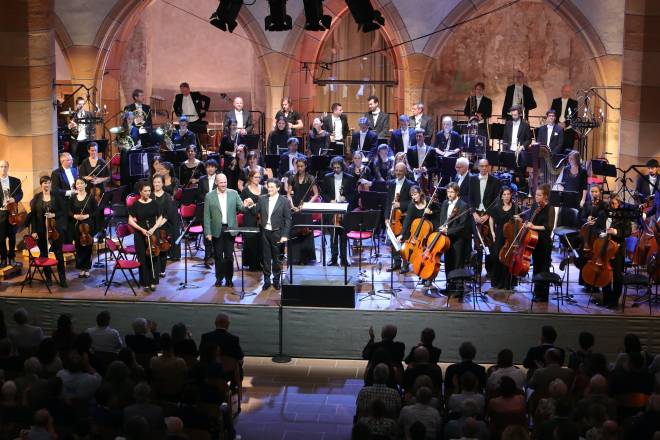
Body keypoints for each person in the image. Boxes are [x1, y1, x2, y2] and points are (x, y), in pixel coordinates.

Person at [203, 173, 250, 287]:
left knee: (229, 256)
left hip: (230, 229)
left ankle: (229, 279)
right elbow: (206, 216)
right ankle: (219, 278)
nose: (223, 184)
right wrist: (208, 232)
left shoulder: (233, 193)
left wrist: (247, 205)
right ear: (216, 183)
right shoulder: (209, 196)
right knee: (218, 256)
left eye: (225, 182)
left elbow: (241, 209)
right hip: (216, 229)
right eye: (221, 182)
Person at [244, 178, 292, 290]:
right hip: (265, 232)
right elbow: (255, 211)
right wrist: (250, 205)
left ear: (278, 188)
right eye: (268, 187)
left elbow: (288, 220)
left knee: (276, 258)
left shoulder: (284, 201)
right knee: (266, 257)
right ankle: (266, 280)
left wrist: (285, 235)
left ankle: (276, 280)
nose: (269, 189)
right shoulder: (262, 199)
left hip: (277, 232)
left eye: (272, 187)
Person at [28, 176, 67, 287]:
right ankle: (48, 278)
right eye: (44, 183)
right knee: (44, 254)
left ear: (51, 184)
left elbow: (63, 211)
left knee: (58, 254)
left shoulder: (57, 196)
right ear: (41, 185)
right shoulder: (37, 197)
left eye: (48, 183)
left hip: (55, 231)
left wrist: (54, 215)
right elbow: (33, 216)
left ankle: (62, 279)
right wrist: (34, 231)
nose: (46, 185)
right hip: (41, 230)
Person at [128, 181, 167, 291]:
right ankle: (145, 281)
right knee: (143, 258)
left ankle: (153, 281)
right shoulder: (135, 205)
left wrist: (153, 229)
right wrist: (141, 229)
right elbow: (130, 221)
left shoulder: (154, 203)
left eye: (149, 190)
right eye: (145, 191)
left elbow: (160, 217)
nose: (148, 193)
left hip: (153, 233)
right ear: (140, 192)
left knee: (154, 256)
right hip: (140, 234)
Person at [321, 156, 357, 266]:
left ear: (342, 166)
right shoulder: (327, 177)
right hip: (332, 210)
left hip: (344, 210)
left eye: (338, 167)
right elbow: (324, 193)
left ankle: (344, 259)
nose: (336, 169)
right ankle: (333, 258)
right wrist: (329, 200)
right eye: (334, 167)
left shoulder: (350, 178)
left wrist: (345, 198)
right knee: (333, 235)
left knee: (343, 235)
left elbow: (354, 194)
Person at [398, 185, 439, 273]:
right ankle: (405, 264)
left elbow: (439, 210)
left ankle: (425, 267)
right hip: (416, 228)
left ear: (420, 193)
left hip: (429, 227)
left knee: (429, 244)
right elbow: (407, 220)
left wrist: (431, 212)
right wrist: (401, 234)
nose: (414, 197)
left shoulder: (429, 200)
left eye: (415, 194)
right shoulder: (412, 205)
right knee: (406, 238)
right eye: (412, 195)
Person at [438, 182, 470, 291]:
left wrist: (448, 231)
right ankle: (449, 286)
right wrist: (442, 229)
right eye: (448, 192)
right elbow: (442, 219)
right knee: (448, 262)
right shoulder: (445, 203)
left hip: (458, 240)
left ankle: (458, 289)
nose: (449, 194)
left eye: (452, 192)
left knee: (457, 263)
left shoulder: (463, 205)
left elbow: (462, 225)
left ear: (457, 192)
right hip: (446, 239)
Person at [287, 158, 319, 265]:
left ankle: (306, 257)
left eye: (302, 166)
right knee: (295, 231)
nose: (299, 168)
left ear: (305, 166)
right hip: (295, 207)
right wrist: (292, 206)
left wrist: (306, 205)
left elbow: (316, 194)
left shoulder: (310, 178)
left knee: (306, 231)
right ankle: (296, 256)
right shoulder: (292, 178)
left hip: (306, 208)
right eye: (298, 166)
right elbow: (288, 194)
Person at [385, 163, 414, 271]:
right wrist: (386, 217)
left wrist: (400, 205)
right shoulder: (392, 183)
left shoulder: (410, 184)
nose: (398, 173)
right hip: (393, 217)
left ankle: (405, 264)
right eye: (396, 170)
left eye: (400, 171)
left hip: (404, 217)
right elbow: (388, 201)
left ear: (405, 171)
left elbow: (413, 201)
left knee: (404, 241)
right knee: (394, 241)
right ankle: (396, 263)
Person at [528, 184, 554, 301]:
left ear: (546, 196)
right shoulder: (535, 207)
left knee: (543, 268)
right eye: (536, 194)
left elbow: (548, 227)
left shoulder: (550, 209)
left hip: (544, 242)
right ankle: (536, 291)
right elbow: (530, 222)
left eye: (539, 195)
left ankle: (543, 295)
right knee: (536, 267)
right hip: (535, 242)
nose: (536, 197)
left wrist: (533, 226)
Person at [491, 186, 520, 290]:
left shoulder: (515, 207)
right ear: (501, 196)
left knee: (509, 259)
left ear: (511, 195)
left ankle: (509, 283)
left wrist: (519, 218)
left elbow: (520, 222)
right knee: (498, 257)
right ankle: (498, 282)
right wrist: (492, 232)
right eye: (504, 194)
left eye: (508, 194)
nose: (506, 196)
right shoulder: (497, 207)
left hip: (511, 236)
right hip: (499, 235)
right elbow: (491, 219)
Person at [69, 178, 97, 278]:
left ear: (85, 185)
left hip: (88, 225)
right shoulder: (72, 197)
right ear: (75, 186)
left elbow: (96, 212)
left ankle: (87, 268)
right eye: (78, 184)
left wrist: (87, 216)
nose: (79, 185)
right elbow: (69, 211)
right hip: (77, 225)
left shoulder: (90, 197)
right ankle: (81, 268)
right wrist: (74, 216)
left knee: (88, 247)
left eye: (81, 183)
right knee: (79, 247)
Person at [240, 169, 266, 271]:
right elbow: (242, 205)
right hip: (249, 218)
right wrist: (248, 204)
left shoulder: (264, 189)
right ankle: (252, 264)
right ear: (250, 178)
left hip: (261, 218)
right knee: (251, 241)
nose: (258, 179)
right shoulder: (246, 190)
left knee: (260, 241)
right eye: (256, 177)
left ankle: (260, 263)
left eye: (259, 177)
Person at [151, 174, 179, 267]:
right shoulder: (150, 195)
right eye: (154, 182)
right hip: (152, 224)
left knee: (163, 246)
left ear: (163, 183)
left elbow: (168, 213)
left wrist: (160, 224)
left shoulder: (167, 196)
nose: (156, 184)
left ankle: (162, 268)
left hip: (164, 224)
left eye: (159, 182)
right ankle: (155, 267)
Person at [0, 160, 23, 267]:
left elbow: (20, 194)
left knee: (12, 236)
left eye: (5, 166)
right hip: (1, 213)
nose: (3, 169)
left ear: (8, 167)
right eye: (1, 166)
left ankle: (12, 258)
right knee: (1, 238)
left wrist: (14, 198)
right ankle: (3, 259)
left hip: (12, 213)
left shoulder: (15, 181)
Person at [197, 159, 218, 268]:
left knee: (215, 233)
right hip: (205, 209)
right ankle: (207, 257)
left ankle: (214, 255)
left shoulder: (220, 179)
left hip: (216, 210)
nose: (209, 169)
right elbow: (199, 194)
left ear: (215, 168)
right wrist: (207, 199)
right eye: (207, 167)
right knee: (206, 234)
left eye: (212, 166)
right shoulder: (202, 179)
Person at [68, 96, 95, 162]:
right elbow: (68, 127)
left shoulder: (89, 114)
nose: (81, 106)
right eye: (80, 104)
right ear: (76, 105)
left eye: (83, 104)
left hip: (85, 139)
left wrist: (91, 136)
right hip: (75, 140)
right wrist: (70, 126)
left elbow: (92, 126)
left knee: (86, 158)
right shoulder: (72, 115)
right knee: (75, 159)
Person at [550, 84, 578, 150]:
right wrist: (558, 123)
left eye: (568, 91)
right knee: (556, 149)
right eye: (565, 91)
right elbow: (551, 114)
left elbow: (574, 116)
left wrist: (565, 124)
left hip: (568, 129)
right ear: (562, 91)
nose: (567, 93)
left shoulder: (574, 103)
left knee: (567, 150)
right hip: (557, 128)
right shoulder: (555, 101)